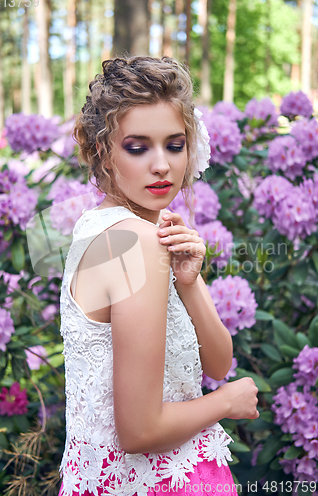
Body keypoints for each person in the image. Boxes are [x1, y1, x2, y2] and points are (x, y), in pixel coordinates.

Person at [58, 56, 259, 496]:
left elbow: (217, 364)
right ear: (101, 152)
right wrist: (226, 403)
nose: (162, 165)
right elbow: (140, 431)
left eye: (174, 144)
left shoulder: (107, 229)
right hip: (159, 483)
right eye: (137, 147)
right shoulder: (136, 242)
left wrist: (190, 282)